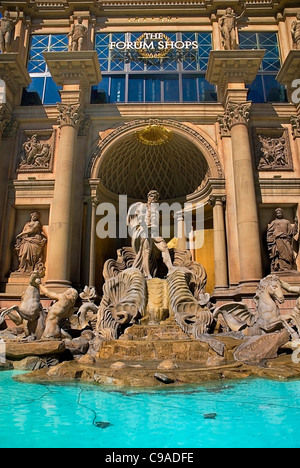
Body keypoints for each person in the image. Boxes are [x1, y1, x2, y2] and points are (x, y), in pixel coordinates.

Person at [127, 190, 175, 279]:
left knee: (164, 246)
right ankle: (147, 274)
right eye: (152, 196)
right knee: (146, 252)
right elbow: (140, 217)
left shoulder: (156, 209)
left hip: (154, 232)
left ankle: (171, 268)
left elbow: (156, 223)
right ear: (148, 197)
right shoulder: (142, 206)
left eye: (156, 197)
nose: (154, 199)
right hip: (145, 230)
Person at [267, 208, 298, 272]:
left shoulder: (287, 222)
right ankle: (281, 268)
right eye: (277, 212)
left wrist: (296, 224)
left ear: (282, 213)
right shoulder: (274, 222)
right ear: (276, 214)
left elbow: (292, 232)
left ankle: (289, 268)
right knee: (280, 254)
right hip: (278, 240)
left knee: (289, 253)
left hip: (286, 240)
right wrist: (271, 240)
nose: (279, 213)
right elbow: (269, 232)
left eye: (280, 212)